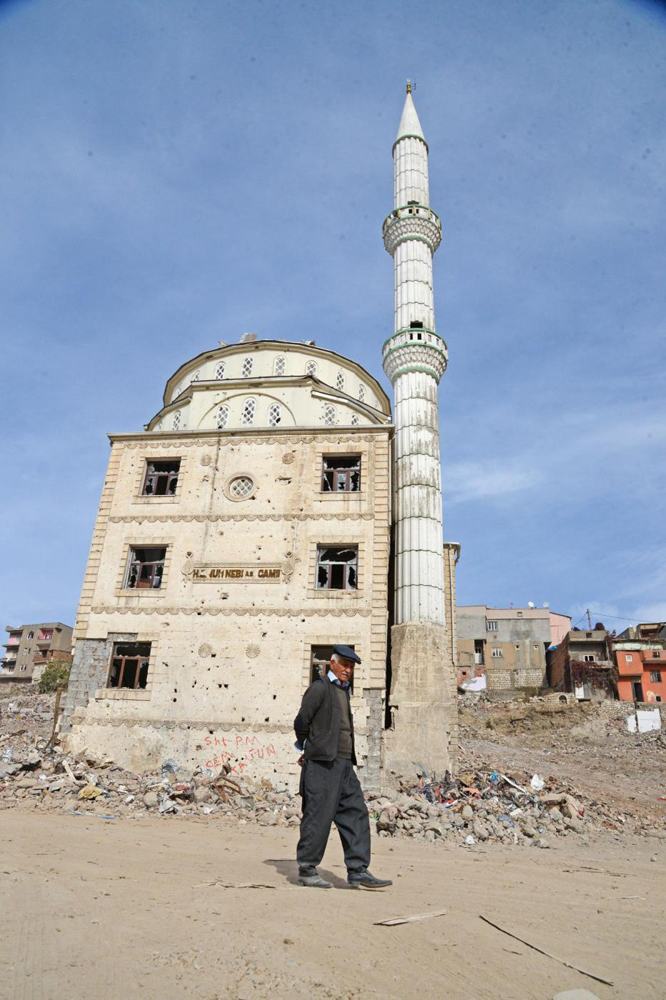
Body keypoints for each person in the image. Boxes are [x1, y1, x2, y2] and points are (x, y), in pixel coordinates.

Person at [293, 644, 393, 890]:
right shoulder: (319, 688)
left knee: (356, 813)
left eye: (351, 667)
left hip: (345, 764)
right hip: (323, 764)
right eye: (345, 665)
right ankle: (307, 869)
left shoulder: (342, 691)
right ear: (332, 664)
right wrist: (308, 747)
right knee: (318, 815)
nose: (348, 670)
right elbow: (301, 721)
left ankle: (358, 870)